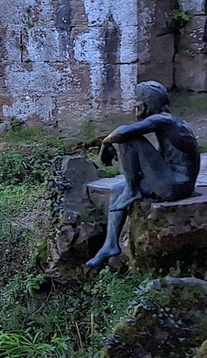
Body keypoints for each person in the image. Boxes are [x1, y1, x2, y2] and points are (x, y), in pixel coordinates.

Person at [86, 81, 200, 268]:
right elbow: (160, 161)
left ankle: (132, 190)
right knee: (118, 190)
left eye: (137, 102)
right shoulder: (167, 124)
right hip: (174, 182)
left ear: (145, 105)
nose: (135, 106)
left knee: (129, 139)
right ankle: (110, 244)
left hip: (176, 185)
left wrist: (106, 142)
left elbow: (123, 132)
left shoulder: (165, 121)